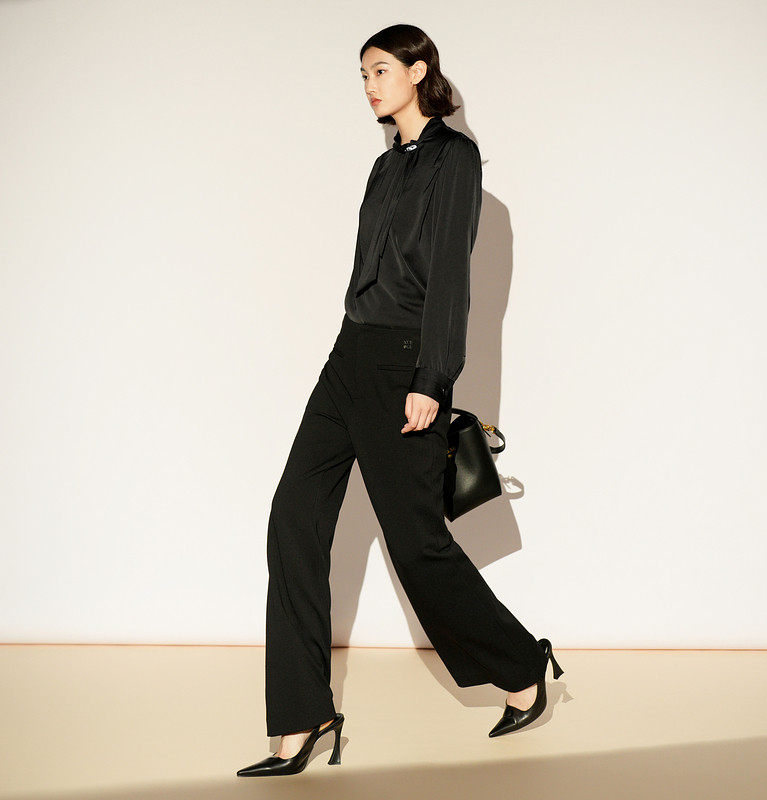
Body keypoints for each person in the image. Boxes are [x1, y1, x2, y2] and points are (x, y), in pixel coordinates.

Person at [237, 23, 562, 778]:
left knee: (416, 543)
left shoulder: (456, 157)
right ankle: (302, 717)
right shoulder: (384, 167)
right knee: (292, 517)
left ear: (418, 71)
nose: (369, 86)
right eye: (362, 75)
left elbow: (451, 277)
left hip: (406, 364)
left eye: (381, 70)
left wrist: (433, 380)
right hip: (348, 356)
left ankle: (521, 666)